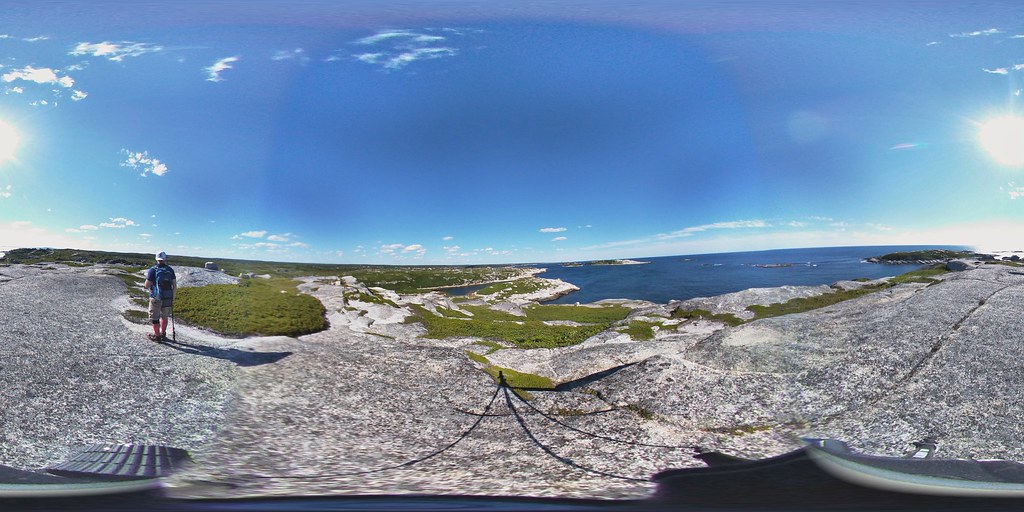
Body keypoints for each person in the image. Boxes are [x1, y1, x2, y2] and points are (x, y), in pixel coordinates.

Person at [144, 251, 177, 341]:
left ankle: (157, 336)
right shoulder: (170, 270)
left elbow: (146, 285)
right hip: (168, 298)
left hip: (156, 297)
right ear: (165, 259)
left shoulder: (153, 270)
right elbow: (174, 285)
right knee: (164, 316)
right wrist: (172, 298)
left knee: (155, 317)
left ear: (156, 259)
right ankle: (163, 333)